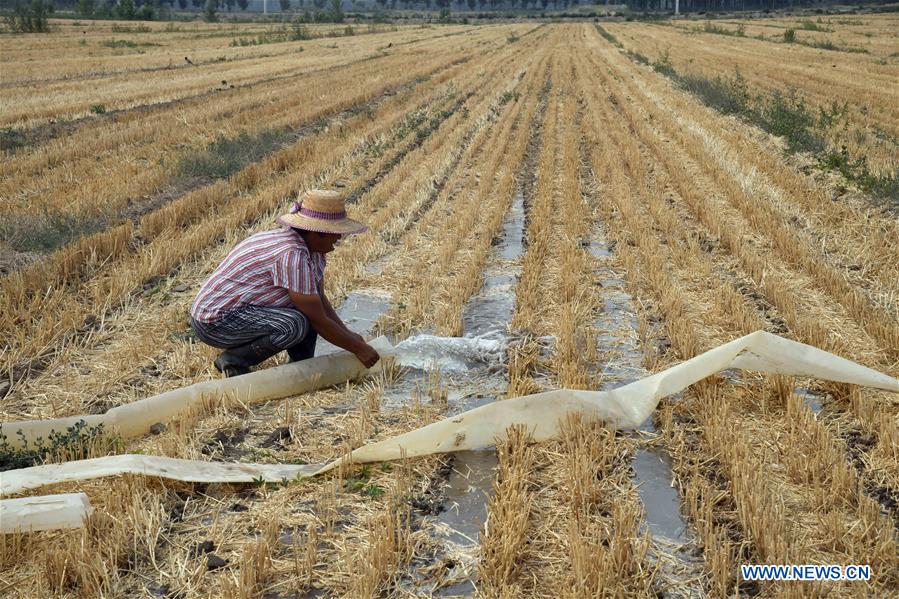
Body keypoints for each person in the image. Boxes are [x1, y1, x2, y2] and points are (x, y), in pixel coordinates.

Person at [190, 189, 380, 377]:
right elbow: (318, 319)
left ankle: (302, 367)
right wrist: (357, 348)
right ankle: (234, 360)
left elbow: (319, 301)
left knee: (305, 312)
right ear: (317, 233)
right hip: (216, 322)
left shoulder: (313, 252)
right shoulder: (291, 254)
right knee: (295, 323)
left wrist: (348, 335)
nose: (340, 237)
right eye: (336, 233)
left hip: (243, 312)